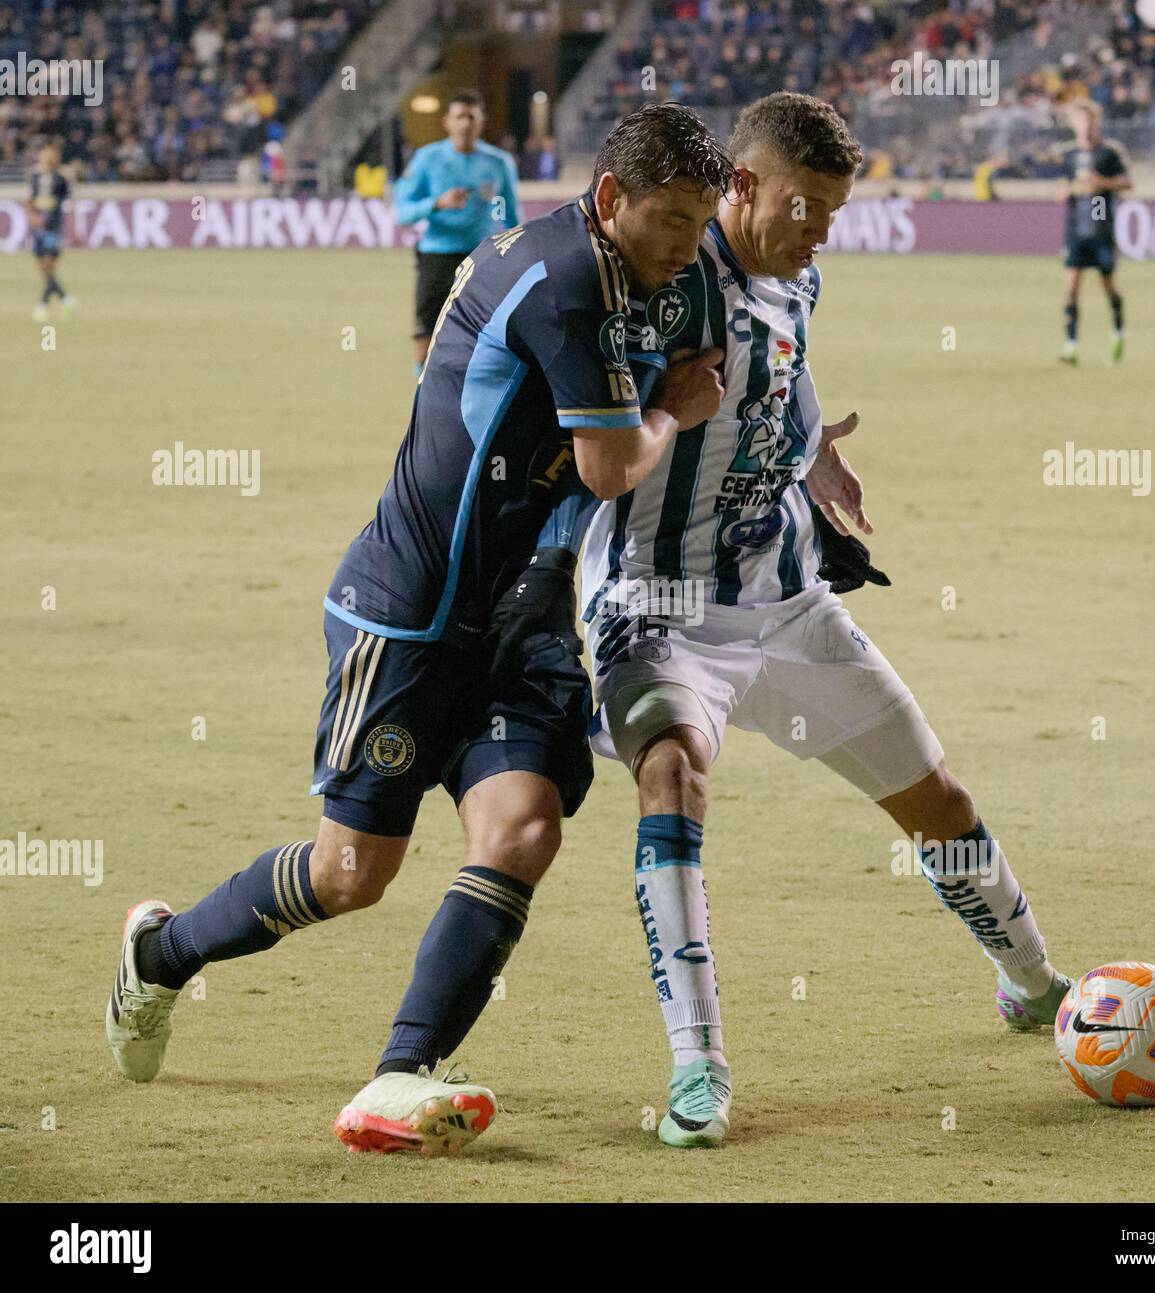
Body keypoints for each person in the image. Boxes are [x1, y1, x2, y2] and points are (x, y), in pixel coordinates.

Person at [106, 104, 733, 1157]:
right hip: (410, 613)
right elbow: (611, 464)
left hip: (519, 616)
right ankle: (159, 955)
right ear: (613, 199)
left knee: (524, 829)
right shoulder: (562, 279)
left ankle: (400, 1076)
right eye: (671, 218)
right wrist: (676, 410)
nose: (686, 242)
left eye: (701, 219)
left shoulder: (647, 273)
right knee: (353, 876)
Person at [581, 93, 1073, 1148]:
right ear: (741, 186)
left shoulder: (799, 275)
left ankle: (1031, 984)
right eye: (804, 208)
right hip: (656, 606)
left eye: (834, 215)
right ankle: (699, 1068)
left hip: (788, 602)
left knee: (935, 800)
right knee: (672, 780)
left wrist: (815, 451)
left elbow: (789, 376)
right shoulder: (663, 282)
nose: (818, 233)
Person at [394, 90, 521, 373]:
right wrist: (437, 203)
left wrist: (522, 256)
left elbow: (512, 216)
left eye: (471, 117)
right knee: (426, 335)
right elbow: (402, 212)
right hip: (436, 257)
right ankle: (423, 392)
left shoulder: (499, 163)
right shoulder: (427, 159)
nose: (465, 123)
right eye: (459, 117)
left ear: (481, 121)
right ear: (447, 122)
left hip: (483, 259)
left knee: (486, 335)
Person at [1059, 100, 1131, 365]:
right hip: (1076, 228)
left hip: (1100, 224)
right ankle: (1071, 345)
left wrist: (1102, 183)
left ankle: (1117, 333)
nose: (1085, 127)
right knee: (1071, 288)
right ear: (1073, 124)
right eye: (1080, 121)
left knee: (1108, 285)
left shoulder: (1107, 154)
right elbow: (1062, 185)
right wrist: (1067, 190)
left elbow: (1127, 182)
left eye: (1089, 122)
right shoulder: (1069, 155)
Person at [28, 145, 76, 322]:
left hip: (53, 227)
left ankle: (42, 305)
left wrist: (72, 227)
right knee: (44, 268)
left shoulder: (61, 179)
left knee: (48, 265)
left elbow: (69, 203)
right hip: (38, 228)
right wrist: (32, 216)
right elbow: (29, 200)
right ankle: (65, 299)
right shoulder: (35, 177)